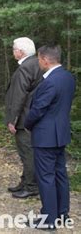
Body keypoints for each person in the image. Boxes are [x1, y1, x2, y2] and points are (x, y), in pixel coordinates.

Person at [24, 44, 75, 229]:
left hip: (45, 137)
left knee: (46, 177)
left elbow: (38, 109)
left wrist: (27, 124)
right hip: (60, 134)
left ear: (45, 59)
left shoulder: (50, 82)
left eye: (38, 59)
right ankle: (62, 214)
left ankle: (49, 220)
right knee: (60, 174)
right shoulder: (68, 77)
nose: (38, 62)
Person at [4, 37, 43, 199]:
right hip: (34, 117)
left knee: (27, 152)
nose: (13, 51)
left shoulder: (25, 68)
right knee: (28, 152)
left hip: (24, 118)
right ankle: (25, 181)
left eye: (14, 49)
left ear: (21, 52)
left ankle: (31, 186)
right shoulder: (36, 64)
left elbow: (19, 96)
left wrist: (12, 120)